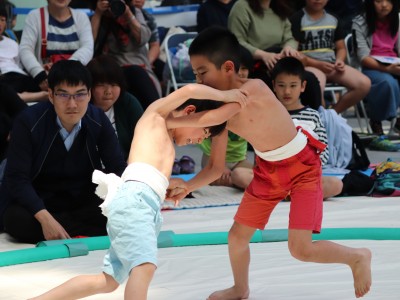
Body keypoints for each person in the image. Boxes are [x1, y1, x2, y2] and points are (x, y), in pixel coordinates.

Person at [168, 27, 372, 299]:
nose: (198, 80)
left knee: (301, 249)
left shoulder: (254, 88)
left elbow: (206, 120)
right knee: (236, 237)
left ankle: (357, 257)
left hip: (302, 168)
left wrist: (165, 118)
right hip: (266, 170)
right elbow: (216, 168)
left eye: (202, 73)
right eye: (194, 74)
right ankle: (240, 288)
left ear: (228, 67)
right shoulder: (219, 112)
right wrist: (187, 185)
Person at [28, 84, 247, 300]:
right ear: (190, 112)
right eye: (205, 132)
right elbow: (189, 91)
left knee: (107, 281)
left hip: (142, 205)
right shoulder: (156, 117)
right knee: (144, 267)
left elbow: (149, 175)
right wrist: (227, 95)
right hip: (134, 203)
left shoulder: (166, 139)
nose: (200, 140)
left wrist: (171, 186)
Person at [0, 60, 127, 244]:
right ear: (50, 95)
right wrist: (45, 219)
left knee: (121, 211)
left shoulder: (98, 120)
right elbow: (17, 178)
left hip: (82, 199)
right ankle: (63, 228)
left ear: (90, 94)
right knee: (15, 220)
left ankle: (61, 230)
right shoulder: (28, 121)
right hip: (40, 201)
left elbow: (117, 167)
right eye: (64, 95)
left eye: (80, 94)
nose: (72, 104)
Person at [228, 0, 323, 109]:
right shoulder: (242, 6)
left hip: (280, 62)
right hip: (255, 65)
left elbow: (289, 38)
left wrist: (288, 48)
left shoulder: (280, 7)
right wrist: (263, 55)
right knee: (266, 84)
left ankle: (315, 119)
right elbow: (236, 41)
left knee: (309, 80)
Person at [271, 57, 343, 198]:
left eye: (293, 86)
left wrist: (307, 169)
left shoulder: (313, 116)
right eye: (281, 85)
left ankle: (288, 193)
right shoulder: (269, 115)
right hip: (275, 173)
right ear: (273, 85)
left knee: (335, 184)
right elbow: (261, 147)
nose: (287, 91)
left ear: (302, 86)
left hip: (305, 174)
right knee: (240, 175)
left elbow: (323, 149)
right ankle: (292, 193)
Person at [290, 0, 371, 114]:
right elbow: (294, 51)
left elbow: (341, 48)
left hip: (332, 65)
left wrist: (339, 60)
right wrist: (317, 64)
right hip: (309, 66)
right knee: (316, 88)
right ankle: (320, 118)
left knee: (364, 84)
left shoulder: (333, 19)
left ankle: (332, 114)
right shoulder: (297, 18)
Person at [90, 0, 162, 109]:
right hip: (112, 68)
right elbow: (89, 44)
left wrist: (127, 12)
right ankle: (158, 112)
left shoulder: (136, 11)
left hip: (139, 66)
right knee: (135, 73)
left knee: (139, 72)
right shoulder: (98, 16)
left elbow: (144, 38)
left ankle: (158, 114)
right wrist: (99, 13)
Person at [18, 0, 94, 93]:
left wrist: (66, 70)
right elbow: (25, 49)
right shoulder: (34, 16)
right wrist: (39, 75)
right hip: (45, 82)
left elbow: (88, 47)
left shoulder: (81, 17)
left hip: (75, 80)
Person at [352, 0, 400, 136]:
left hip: (395, 63)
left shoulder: (398, 19)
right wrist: (388, 69)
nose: (384, 5)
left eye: (389, 1)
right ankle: (376, 119)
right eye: (379, 0)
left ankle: (398, 122)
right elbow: (363, 57)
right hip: (371, 65)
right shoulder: (360, 22)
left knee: (391, 81)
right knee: (388, 83)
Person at [87, 55, 144, 160]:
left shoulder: (128, 102)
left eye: (113, 85)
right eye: (101, 85)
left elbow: (144, 140)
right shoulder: (81, 107)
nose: (108, 91)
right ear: (89, 86)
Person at [0, 7, 48, 102]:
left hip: (18, 75)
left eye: (2, 20)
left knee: (46, 82)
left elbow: (22, 64)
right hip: (3, 76)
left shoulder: (12, 43)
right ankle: (24, 97)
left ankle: (20, 96)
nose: (0, 23)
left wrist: (41, 68)